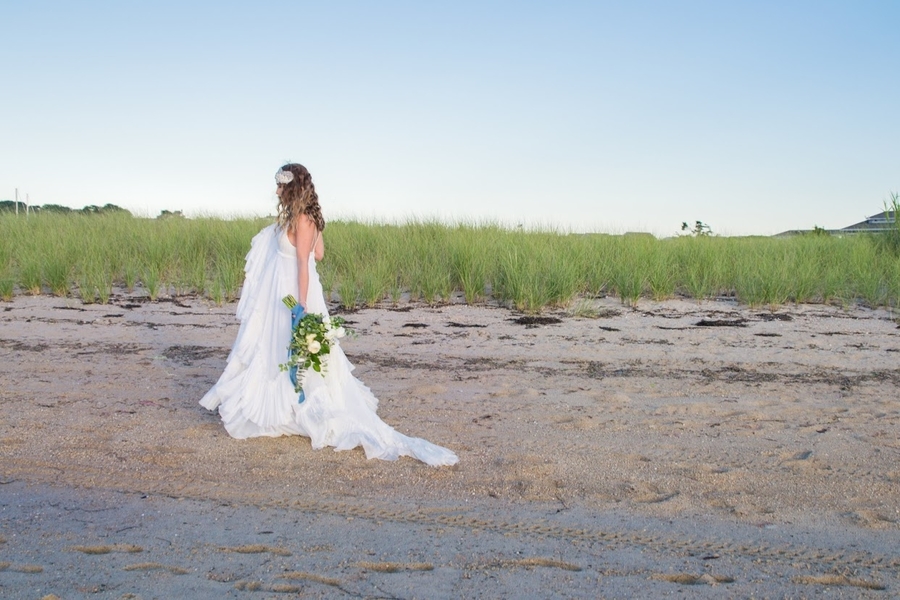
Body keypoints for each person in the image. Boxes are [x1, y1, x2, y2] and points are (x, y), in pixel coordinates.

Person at [200, 163, 458, 467]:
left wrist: (302, 308)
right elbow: (318, 254)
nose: (276, 190)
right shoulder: (298, 219)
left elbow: (304, 264)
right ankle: (283, 403)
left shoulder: (303, 220)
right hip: (280, 290)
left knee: (293, 348)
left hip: (295, 292)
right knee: (274, 349)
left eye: (280, 185)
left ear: (292, 187)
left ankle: (296, 405)